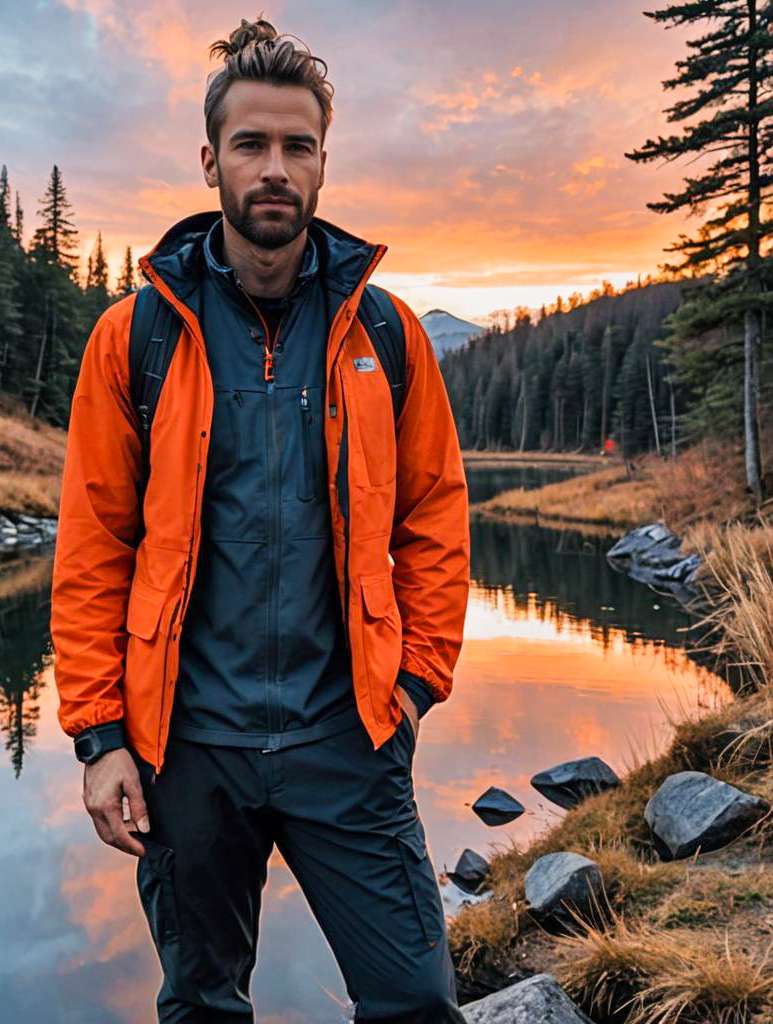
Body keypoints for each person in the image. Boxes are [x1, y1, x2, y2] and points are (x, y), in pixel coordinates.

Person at [50, 17, 470, 1023]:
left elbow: (434, 520)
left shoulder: (383, 330)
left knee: (414, 998)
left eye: (296, 146)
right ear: (210, 160)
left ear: (323, 163)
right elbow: (93, 545)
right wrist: (100, 736)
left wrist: (413, 687)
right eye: (251, 144)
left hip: (347, 739)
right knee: (201, 1001)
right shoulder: (136, 334)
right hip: (187, 749)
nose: (274, 167)